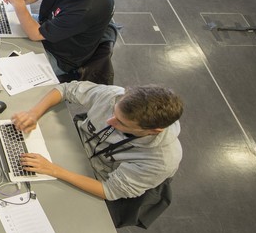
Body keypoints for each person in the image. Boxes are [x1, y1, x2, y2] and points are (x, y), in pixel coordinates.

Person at [11, 82, 183, 201]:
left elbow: (109, 190)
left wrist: (53, 170)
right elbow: (66, 89)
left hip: (93, 177)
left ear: (153, 131)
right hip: (73, 144)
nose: (110, 121)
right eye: (114, 112)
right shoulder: (115, 96)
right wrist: (34, 113)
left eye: (121, 123)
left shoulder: (161, 160)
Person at [1, 0, 115, 77]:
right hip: (46, 26)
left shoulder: (87, 10)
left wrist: (19, 4)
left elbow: (35, 34)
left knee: (5, 69)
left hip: (58, 55)